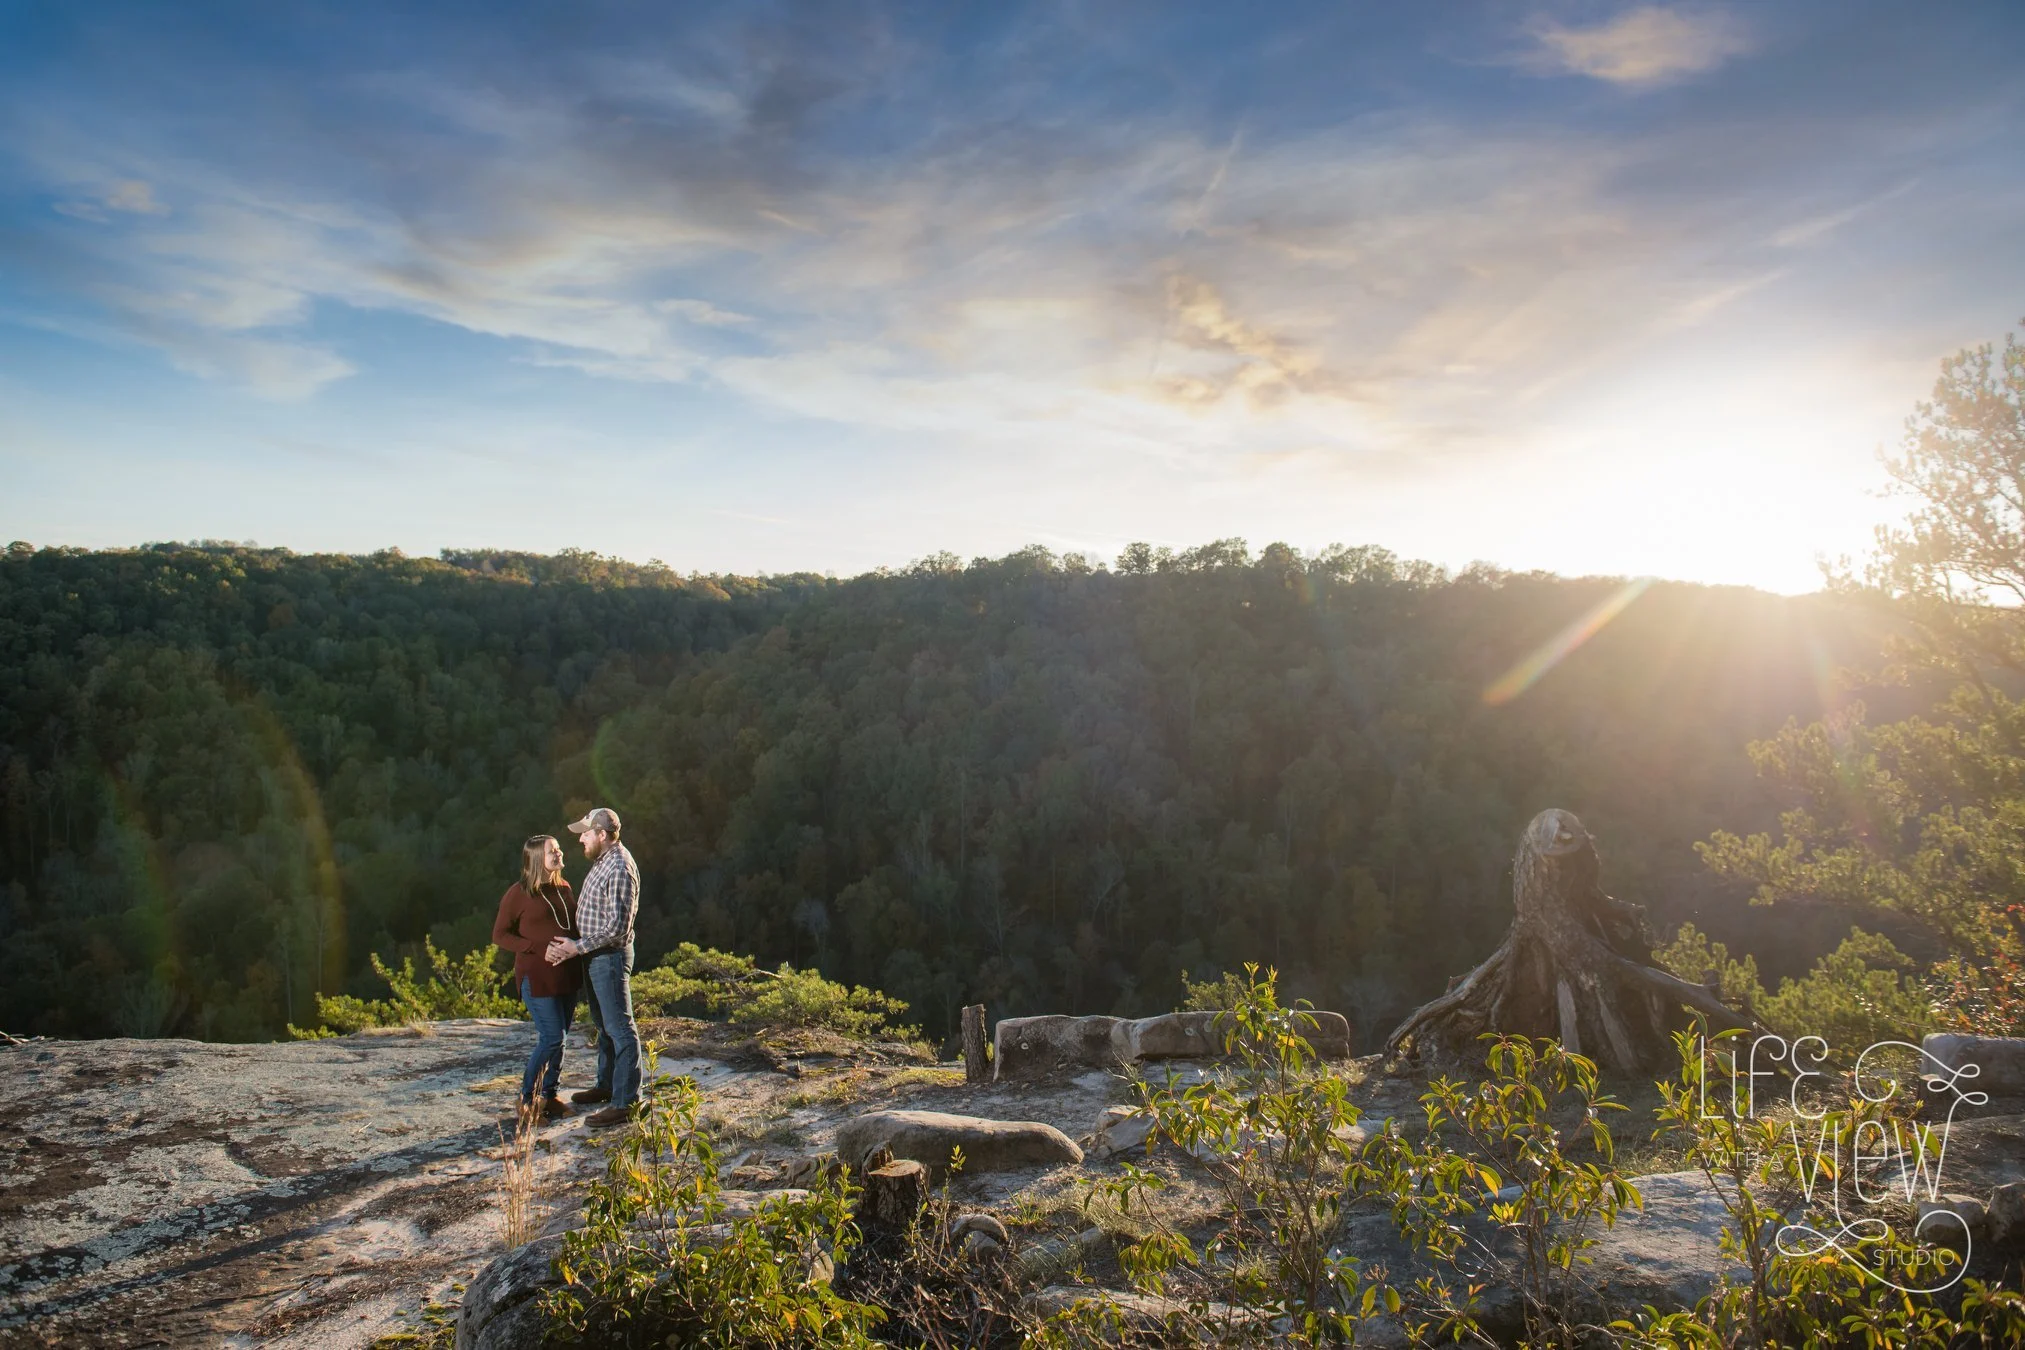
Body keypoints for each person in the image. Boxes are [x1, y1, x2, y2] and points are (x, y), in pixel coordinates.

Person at [545, 806, 641, 1128]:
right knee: (604, 1026)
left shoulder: (619, 867)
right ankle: (606, 1085)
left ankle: (625, 1103)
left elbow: (617, 927)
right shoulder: (604, 860)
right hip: (596, 956)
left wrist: (576, 947)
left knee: (621, 1029)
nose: (581, 839)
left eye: (586, 833)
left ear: (602, 835)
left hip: (609, 958)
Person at [491, 834, 581, 1122]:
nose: (559, 853)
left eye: (558, 849)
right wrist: (537, 948)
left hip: (567, 974)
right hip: (537, 976)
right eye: (552, 851)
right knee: (552, 1037)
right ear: (535, 859)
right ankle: (526, 1099)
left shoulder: (564, 887)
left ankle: (550, 1095)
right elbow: (500, 935)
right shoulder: (518, 894)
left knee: (562, 1038)